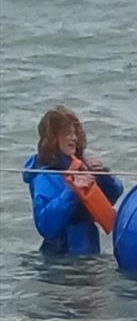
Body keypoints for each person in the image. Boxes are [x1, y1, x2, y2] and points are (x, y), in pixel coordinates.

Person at [23, 106, 123, 256]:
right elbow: (45, 225)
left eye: (75, 133)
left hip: (89, 252)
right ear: (53, 138)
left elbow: (113, 196)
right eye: (67, 134)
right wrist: (71, 191)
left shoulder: (81, 166)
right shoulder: (45, 175)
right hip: (61, 258)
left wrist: (104, 175)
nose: (74, 138)